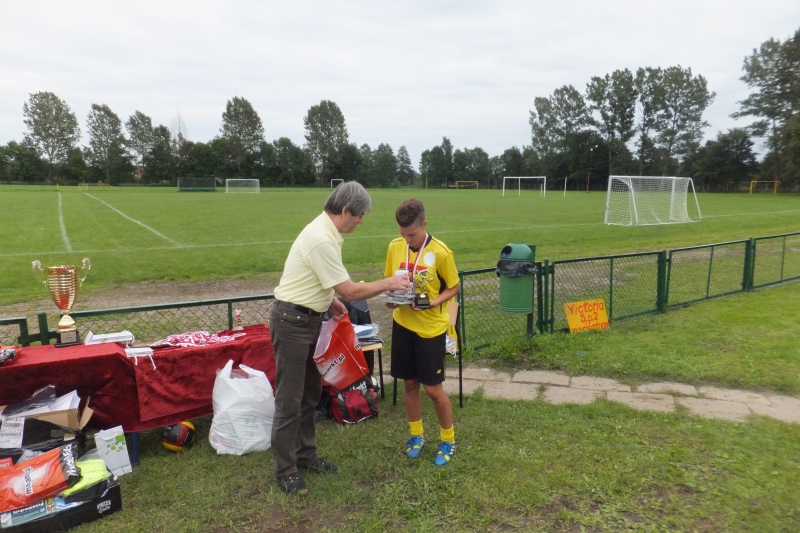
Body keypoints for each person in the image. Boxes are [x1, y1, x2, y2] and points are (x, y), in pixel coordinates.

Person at [269, 181, 411, 496]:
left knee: (308, 395)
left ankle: (306, 456)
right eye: (359, 215)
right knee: (289, 400)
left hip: (308, 318)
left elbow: (321, 279)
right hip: (292, 323)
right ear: (345, 211)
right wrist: (388, 282)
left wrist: (327, 298)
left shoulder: (327, 233)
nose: (361, 221)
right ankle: (285, 470)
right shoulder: (322, 238)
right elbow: (351, 291)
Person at [384, 198, 460, 466]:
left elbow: (453, 287)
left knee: (433, 390)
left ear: (424, 225)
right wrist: (392, 299)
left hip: (430, 330)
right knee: (409, 383)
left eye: (412, 234)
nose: (407, 239)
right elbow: (391, 283)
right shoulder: (395, 247)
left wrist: (432, 302)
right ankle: (416, 435)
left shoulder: (441, 252)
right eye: (402, 234)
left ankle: (448, 439)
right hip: (403, 325)